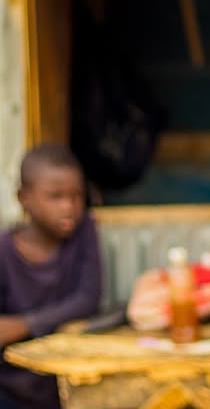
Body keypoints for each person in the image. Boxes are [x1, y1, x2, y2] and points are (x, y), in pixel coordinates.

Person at [0, 144, 102, 409]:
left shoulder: (84, 230)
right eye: (55, 197)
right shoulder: (3, 250)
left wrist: (24, 325)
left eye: (77, 196)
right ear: (24, 197)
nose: (69, 207)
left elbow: (88, 299)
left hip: (66, 384)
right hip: (11, 388)